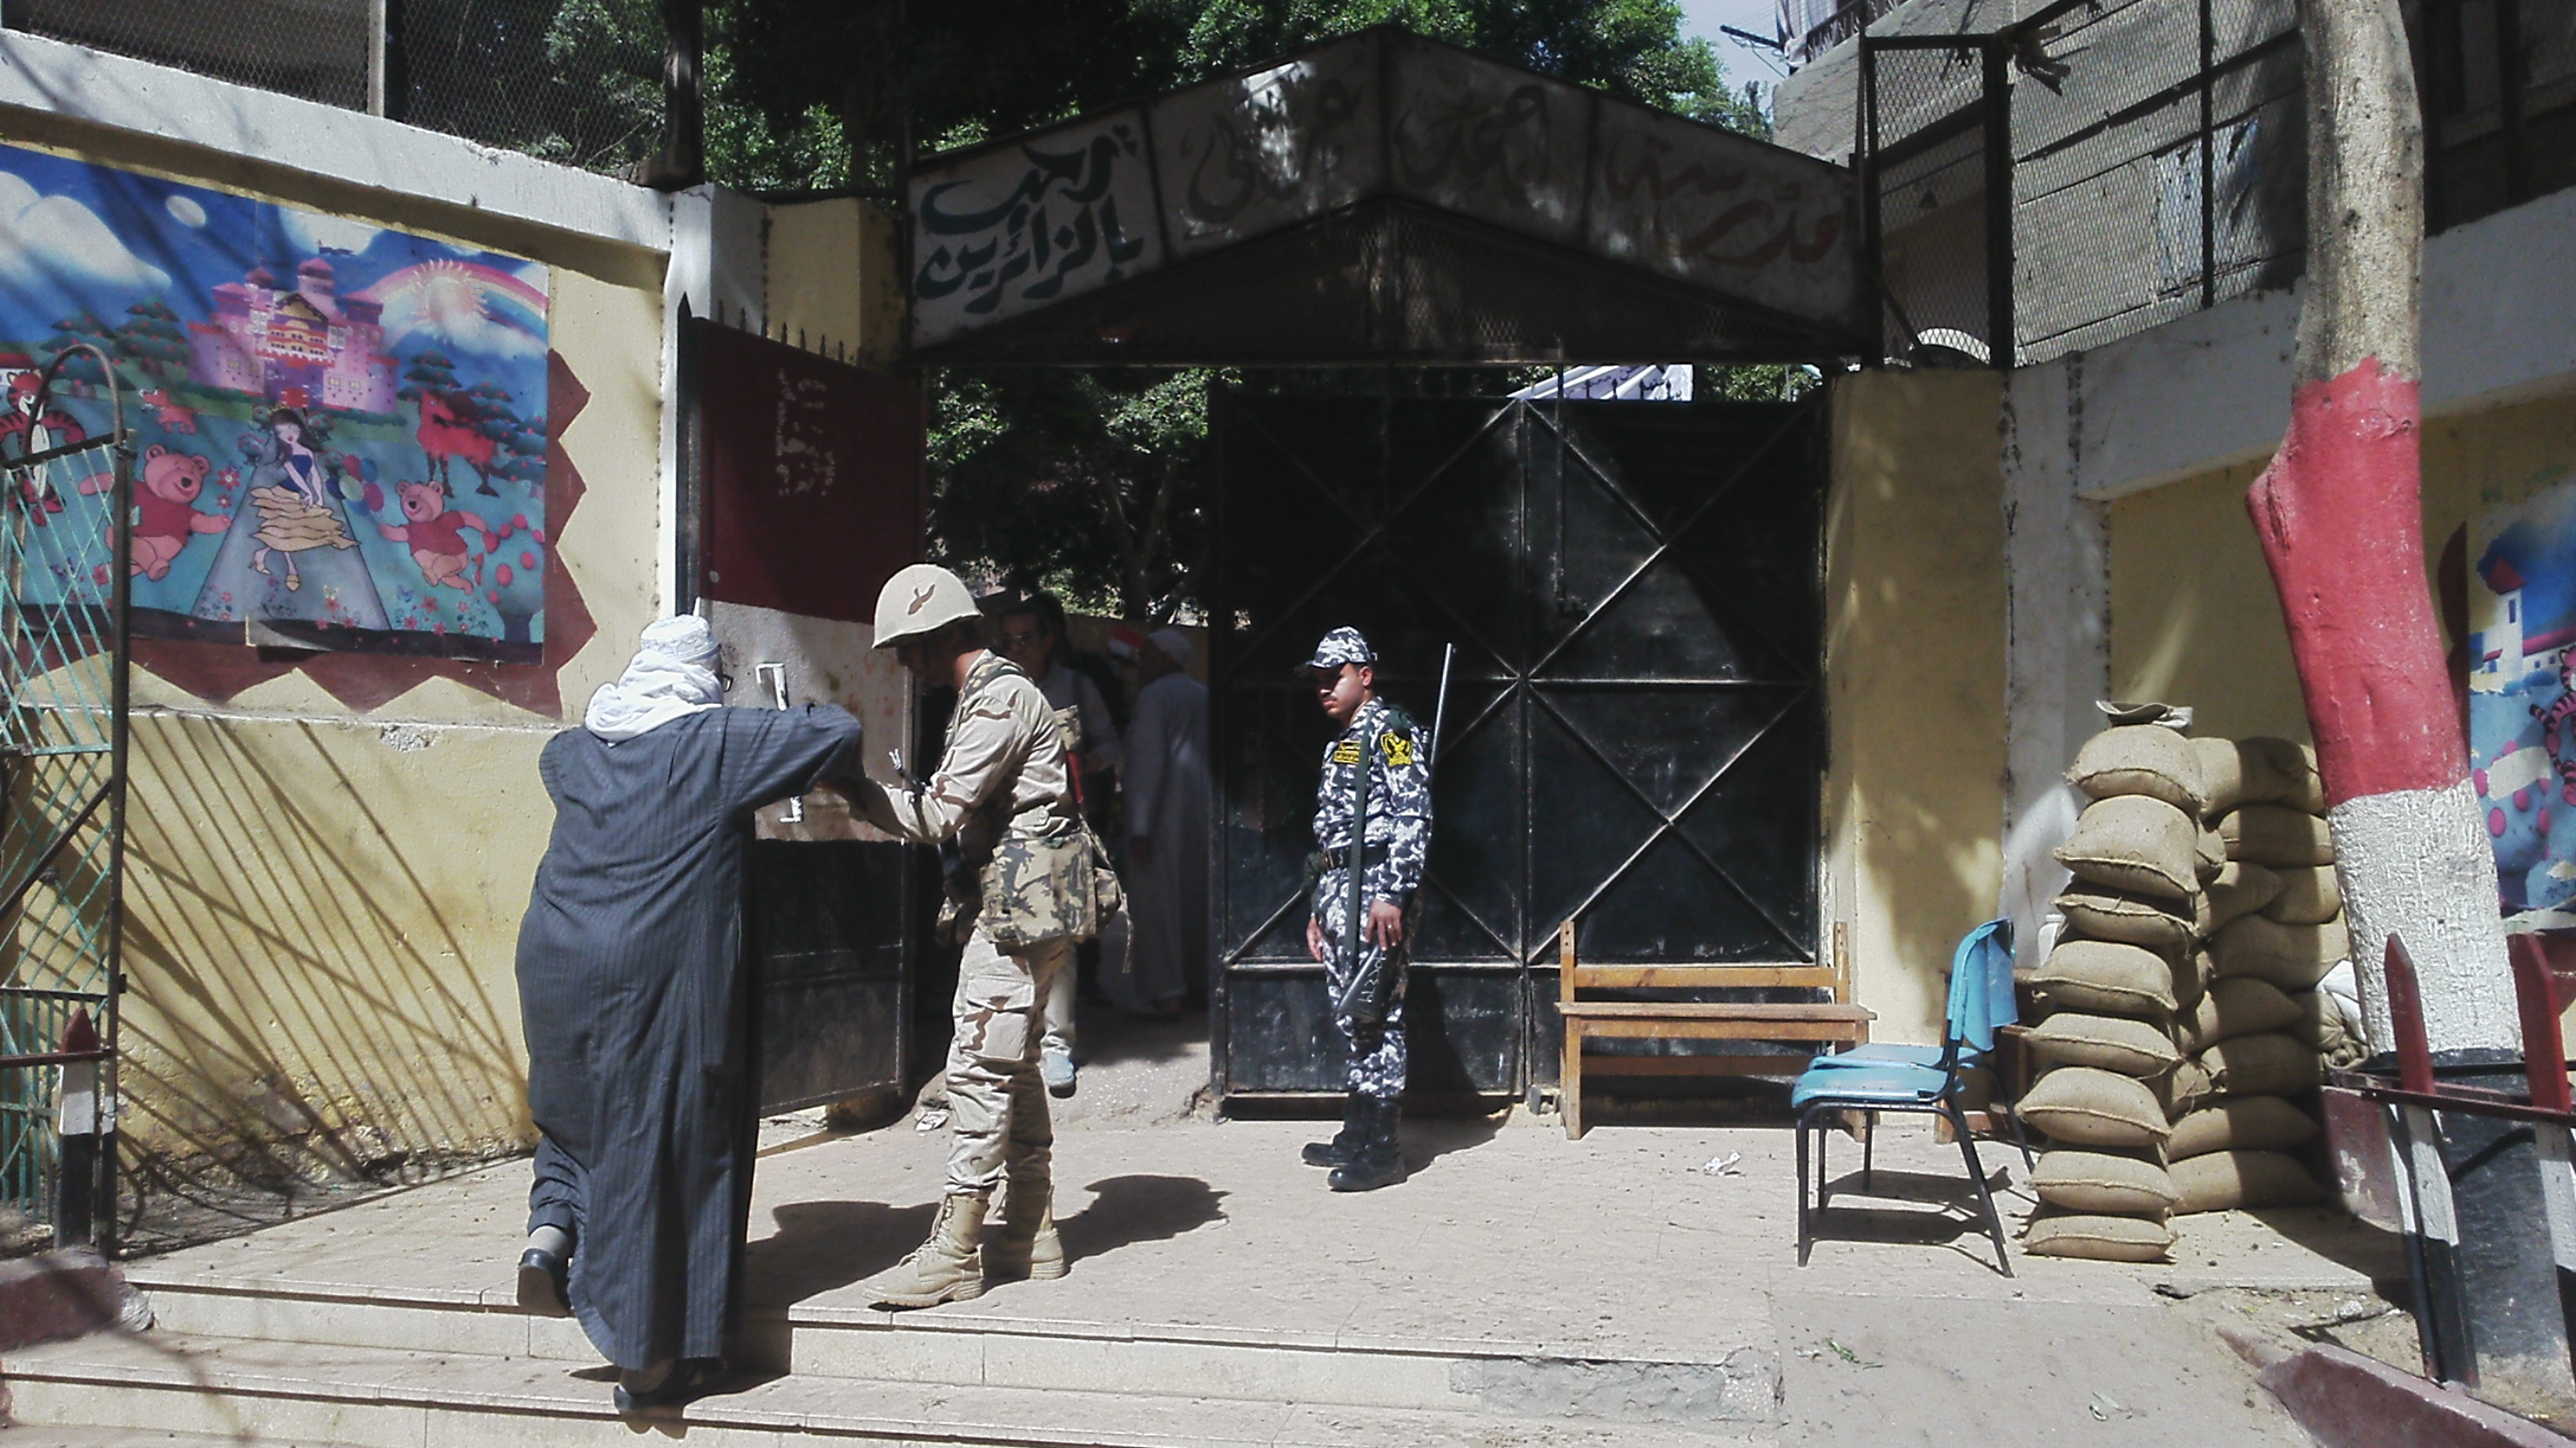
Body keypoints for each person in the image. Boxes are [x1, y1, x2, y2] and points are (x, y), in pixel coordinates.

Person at [513, 615, 863, 1412]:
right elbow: (836, 731)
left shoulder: (570, 754)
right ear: (708, 681)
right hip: (657, 977)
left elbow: (574, 762)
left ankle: (550, 1235)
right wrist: (773, 710)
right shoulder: (713, 747)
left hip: (557, 958)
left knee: (578, 1119)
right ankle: (651, 1359)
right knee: (662, 1138)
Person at [850, 564, 1095, 1308]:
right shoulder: (987, 695)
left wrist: (850, 786)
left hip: (1019, 911)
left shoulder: (1000, 698)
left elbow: (936, 816)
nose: (901, 664)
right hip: (1022, 900)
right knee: (1012, 1061)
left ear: (934, 637)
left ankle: (957, 1249)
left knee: (976, 1068)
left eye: (905, 648)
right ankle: (1031, 1229)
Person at [1298, 627, 1431, 1193]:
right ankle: (1356, 1130)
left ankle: (1383, 1147)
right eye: (1319, 678)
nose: (1325, 687)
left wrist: (1393, 893)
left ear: (1365, 675)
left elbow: (1413, 812)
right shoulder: (1343, 739)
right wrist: (1317, 906)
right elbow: (1333, 832)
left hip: (1375, 889)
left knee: (1380, 1014)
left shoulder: (1390, 732)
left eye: (1336, 675)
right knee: (1355, 1018)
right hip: (1339, 891)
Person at [994, 593, 1124, 1093]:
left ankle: (1057, 1046)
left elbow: (1111, 744)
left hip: (1062, 833)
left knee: (1061, 942)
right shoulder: (996, 689)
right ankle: (1012, 1036)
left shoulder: (1075, 687)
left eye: (1027, 639)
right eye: (1009, 641)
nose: (1018, 649)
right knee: (1005, 941)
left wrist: (1085, 764)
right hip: (1005, 833)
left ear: (1050, 639)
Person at [1121, 627, 1209, 1014]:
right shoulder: (1202, 695)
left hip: (1160, 821)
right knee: (1194, 904)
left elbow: (1146, 764)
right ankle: (1198, 985)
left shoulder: (1153, 697)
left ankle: (1166, 992)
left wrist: (1139, 826)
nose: (1141, 664)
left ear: (1168, 659)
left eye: (1148, 655)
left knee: (1157, 908)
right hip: (1199, 818)